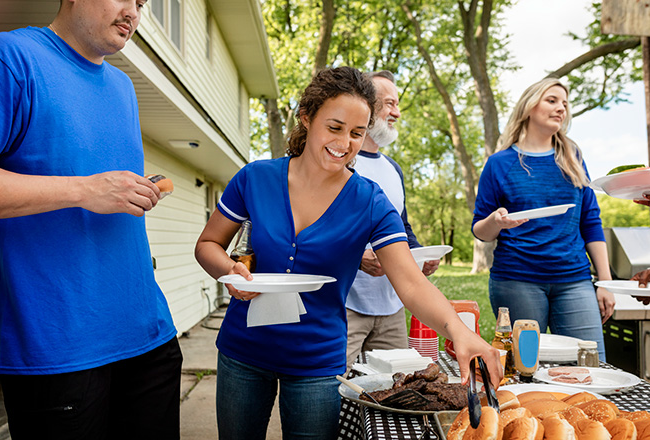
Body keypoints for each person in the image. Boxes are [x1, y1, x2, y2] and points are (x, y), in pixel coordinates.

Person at [195, 66, 502, 440]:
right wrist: (229, 270)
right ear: (307, 118)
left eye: (357, 133)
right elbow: (207, 245)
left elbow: (409, 282)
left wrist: (457, 330)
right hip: (242, 352)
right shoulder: (254, 178)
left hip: (317, 362)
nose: (345, 143)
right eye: (335, 127)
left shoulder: (370, 201)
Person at [0, 1, 182, 439]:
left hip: (149, 336)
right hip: (59, 348)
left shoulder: (122, 86)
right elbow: (89, 187)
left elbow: (103, 186)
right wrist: (84, 190)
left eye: (141, 3)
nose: (134, 11)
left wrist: (130, 191)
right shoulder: (7, 58)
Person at [471, 77, 614, 361]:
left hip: (574, 280)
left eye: (564, 103)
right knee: (527, 368)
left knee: (590, 363)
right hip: (517, 280)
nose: (561, 108)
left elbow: (591, 222)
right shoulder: (499, 164)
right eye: (552, 100)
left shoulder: (573, 158)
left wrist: (605, 282)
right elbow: (480, 231)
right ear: (528, 107)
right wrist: (496, 221)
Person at [345, 70, 439, 369]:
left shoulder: (393, 169)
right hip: (345, 304)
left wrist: (421, 255)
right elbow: (315, 225)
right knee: (333, 390)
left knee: (394, 387)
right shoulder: (342, 161)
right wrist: (358, 256)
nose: (396, 112)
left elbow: (401, 227)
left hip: (392, 305)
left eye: (397, 104)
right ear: (366, 106)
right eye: (389, 104)